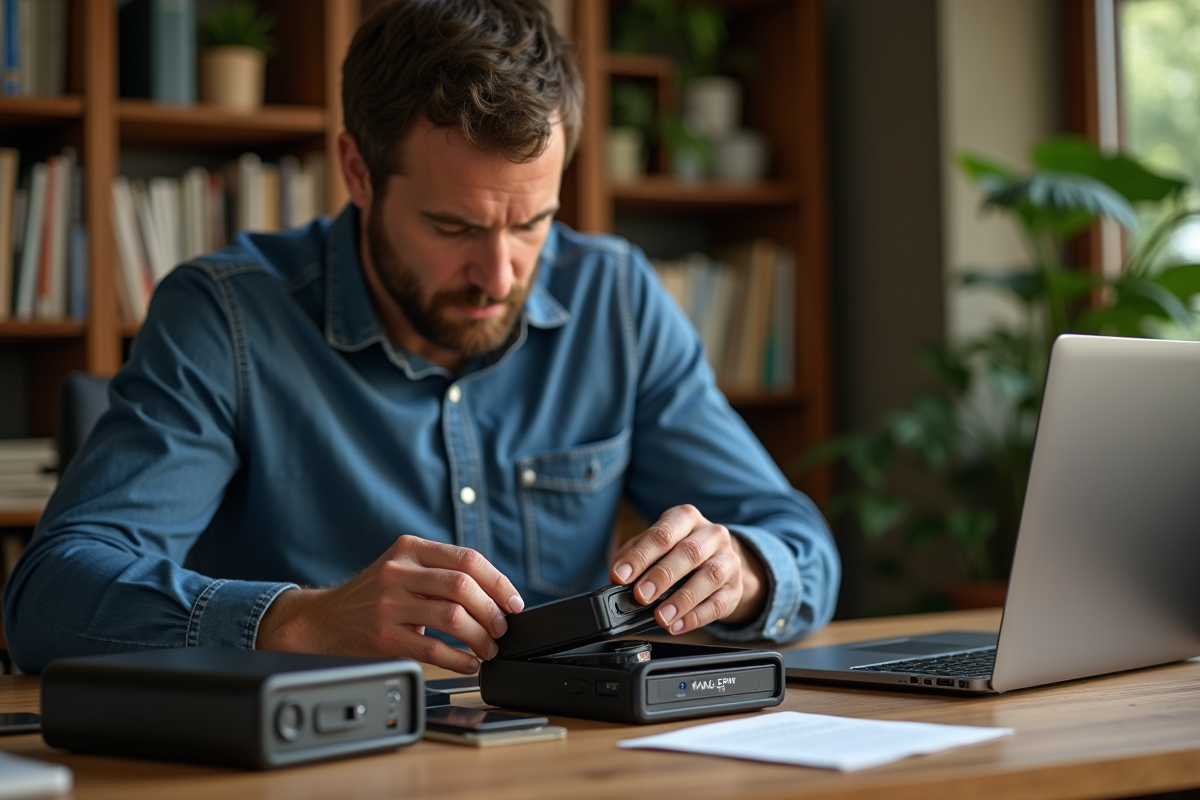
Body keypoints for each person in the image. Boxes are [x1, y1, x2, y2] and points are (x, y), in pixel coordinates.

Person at [3, 0, 839, 675]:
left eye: (533, 224)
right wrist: (302, 620)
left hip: (571, 760)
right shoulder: (224, 317)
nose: (501, 275)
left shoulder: (615, 297)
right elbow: (48, 599)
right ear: (359, 172)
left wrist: (745, 570)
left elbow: (801, 543)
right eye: (453, 227)